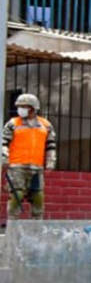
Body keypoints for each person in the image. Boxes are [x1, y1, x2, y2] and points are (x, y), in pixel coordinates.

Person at [3, 92, 56, 225]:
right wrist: (4, 157)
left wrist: (51, 161)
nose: (20, 109)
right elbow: (3, 143)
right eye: (20, 107)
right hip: (17, 167)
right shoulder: (13, 123)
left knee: (38, 196)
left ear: (32, 108)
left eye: (24, 106)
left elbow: (51, 145)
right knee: (17, 196)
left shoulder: (46, 125)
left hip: (36, 168)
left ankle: (36, 226)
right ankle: (12, 225)